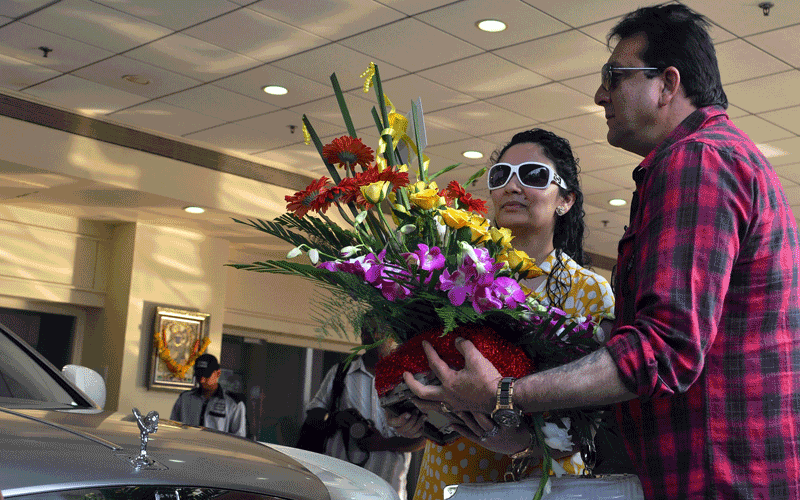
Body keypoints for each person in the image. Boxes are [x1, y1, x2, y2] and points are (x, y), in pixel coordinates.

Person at [403, 4, 800, 500]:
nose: (599, 94)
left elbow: (664, 350)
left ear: (667, 84)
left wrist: (506, 392)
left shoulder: (698, 160)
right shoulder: (715, 156)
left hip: (714, 477)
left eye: (614, 76)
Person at [391, 129, 620, 500]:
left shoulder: (590, 292)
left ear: (565, 200)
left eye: (533, 175)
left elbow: (598, 421)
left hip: (543, 482)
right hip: (449, 476)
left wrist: (521, 440)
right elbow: (428, 370)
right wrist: (414, 415)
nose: (512, 186)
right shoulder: (453, 274)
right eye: (501, 175)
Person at [306, 320, 425, 500]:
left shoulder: (407, 378)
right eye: (366, 329)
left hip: (389, 490)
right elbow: (313, 416)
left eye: (377, 329)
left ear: (391, 334)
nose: (372, 335)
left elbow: (424, 439)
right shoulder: (341, 373)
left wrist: (381, 444)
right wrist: (336, 418)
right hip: (340, 490)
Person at [170, 353, 247, 437]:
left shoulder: (233, 404)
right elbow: (173, 429)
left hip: (216, 449)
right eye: (199, 375)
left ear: (218, 373)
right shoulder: (184, 399)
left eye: (206, 375)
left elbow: (239, 439)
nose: (202, 380)